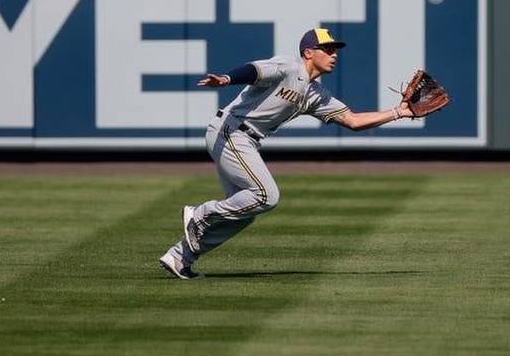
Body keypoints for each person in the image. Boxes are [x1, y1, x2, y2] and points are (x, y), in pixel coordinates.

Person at [159, 28, 417, 280]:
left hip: (244, 139)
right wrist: (227, 79)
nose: (334, 54)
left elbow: (353, 120)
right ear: (308, 52)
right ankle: (200, 214)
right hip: (230, 131)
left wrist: (399, 112)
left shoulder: (316, 94)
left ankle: (179, 257)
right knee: (265, 195)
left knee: (244, 212)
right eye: (327, 49)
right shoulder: (288, 66)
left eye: (335, 50)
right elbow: (254, 70)